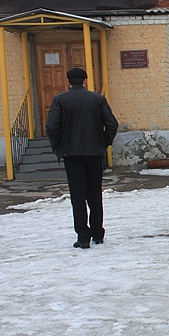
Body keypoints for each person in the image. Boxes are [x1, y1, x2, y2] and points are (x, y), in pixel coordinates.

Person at [45, 68, 119, 249]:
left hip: (72, 154)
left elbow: (52, 127)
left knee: (78, 196)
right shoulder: (98, 99)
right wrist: (104, 142)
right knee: (95, 194)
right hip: (94, 153)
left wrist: (58, 146)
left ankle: (83, 237)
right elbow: (112, 124)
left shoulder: (59, 100)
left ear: (68, 81)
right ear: (85, 81)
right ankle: (98, 233)